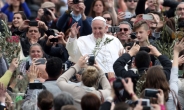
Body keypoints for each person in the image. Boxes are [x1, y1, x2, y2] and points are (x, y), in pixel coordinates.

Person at [141, 39, 184, 110]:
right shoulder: (171, 93)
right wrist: (176, 52)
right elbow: (174, 72)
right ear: (164, 77)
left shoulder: (144, 96)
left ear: (147, 79)